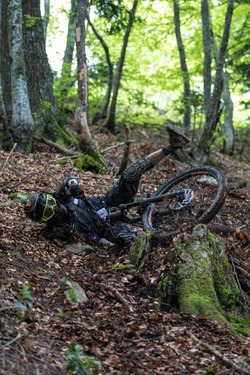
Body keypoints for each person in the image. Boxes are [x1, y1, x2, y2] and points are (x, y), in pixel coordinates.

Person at [23, 124, 189, 246]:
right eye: (47, 213)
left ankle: (171, 147)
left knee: (130, 174)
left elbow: (69, 180)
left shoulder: (61, 196)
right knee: (130, 241)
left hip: (110, 202)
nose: (54, 209)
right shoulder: (60, 229)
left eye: (51, 203)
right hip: (109, 227)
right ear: (43, 220)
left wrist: (74, 186)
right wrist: (106, 243)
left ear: (51, 197)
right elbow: (89, 239)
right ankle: (168, 237)